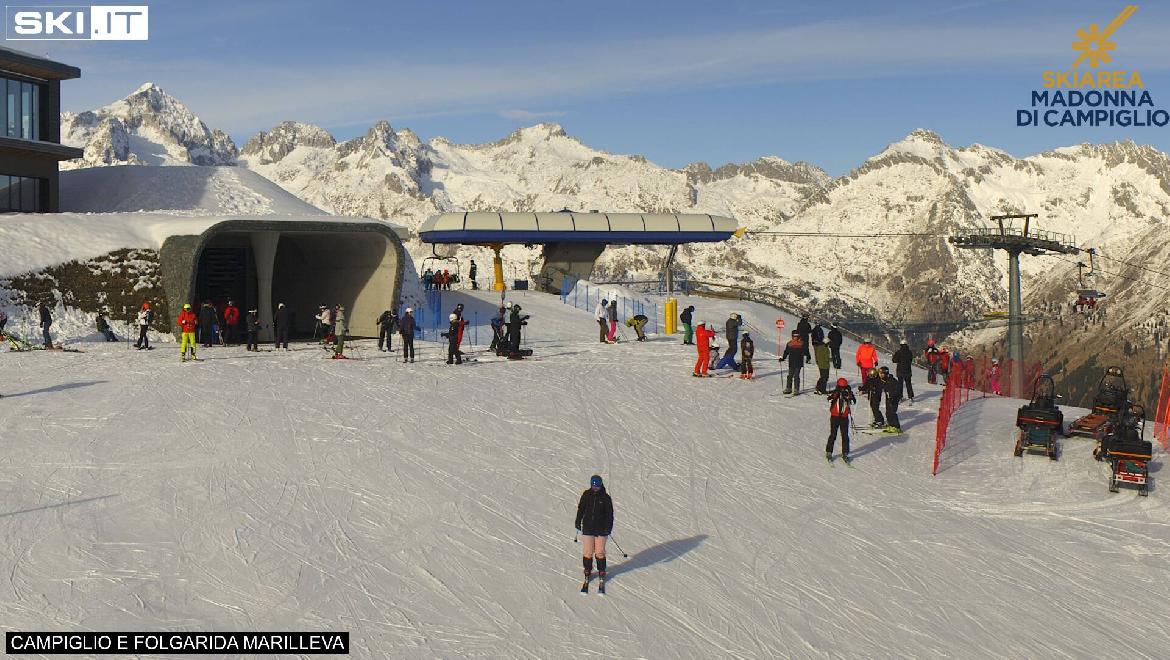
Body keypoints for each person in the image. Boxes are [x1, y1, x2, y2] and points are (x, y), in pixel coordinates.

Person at [575, 475, 614, 592]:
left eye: (597, 487)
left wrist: (608, 528)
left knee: (599, 551)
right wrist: (578, 521)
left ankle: (601, 571)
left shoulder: (605, 498)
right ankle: (587, 570)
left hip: (601, 530)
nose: (595, 488)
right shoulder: (586, 495)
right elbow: (581, 509)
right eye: (593, 486)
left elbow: (610, 515)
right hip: (588, 528)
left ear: (601, 485)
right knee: (587, 551)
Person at [826, 378, 856, 462]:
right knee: (833, 434)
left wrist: (848, 396)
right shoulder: (836, 392)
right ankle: (829, 451)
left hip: (844, 417)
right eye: (841, 387)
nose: (842, 389)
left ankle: (845, 453)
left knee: (845, 436)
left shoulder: (848, 393)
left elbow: (853, 402)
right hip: (835, 416)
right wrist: (835, 395)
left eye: (844, 387)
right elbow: (829, 399)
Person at [781, 330, 805, 394]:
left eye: (797, 336)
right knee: (790, 376)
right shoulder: (790, 343)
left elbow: (805, 350)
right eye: (794, 336)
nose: (795, 337)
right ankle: (788, 388)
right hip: (791, 362)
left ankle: (796, 389)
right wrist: (783, 358)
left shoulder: (801, 343)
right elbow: (786, 351)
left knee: (796, 376)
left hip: (798, 362)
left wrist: (806, 354)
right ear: (792, 336)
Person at [880, 366, 902, 433]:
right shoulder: (885, 380)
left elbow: (898, 391)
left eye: (882, 374)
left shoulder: (892, 381)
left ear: (885, 373)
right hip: (889, 398)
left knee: (892, 413)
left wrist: (893, 397)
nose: (880, 375)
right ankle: (891, 425)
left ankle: (897, 427)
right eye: (880, 374)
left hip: (894, 399)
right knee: (888, 413)